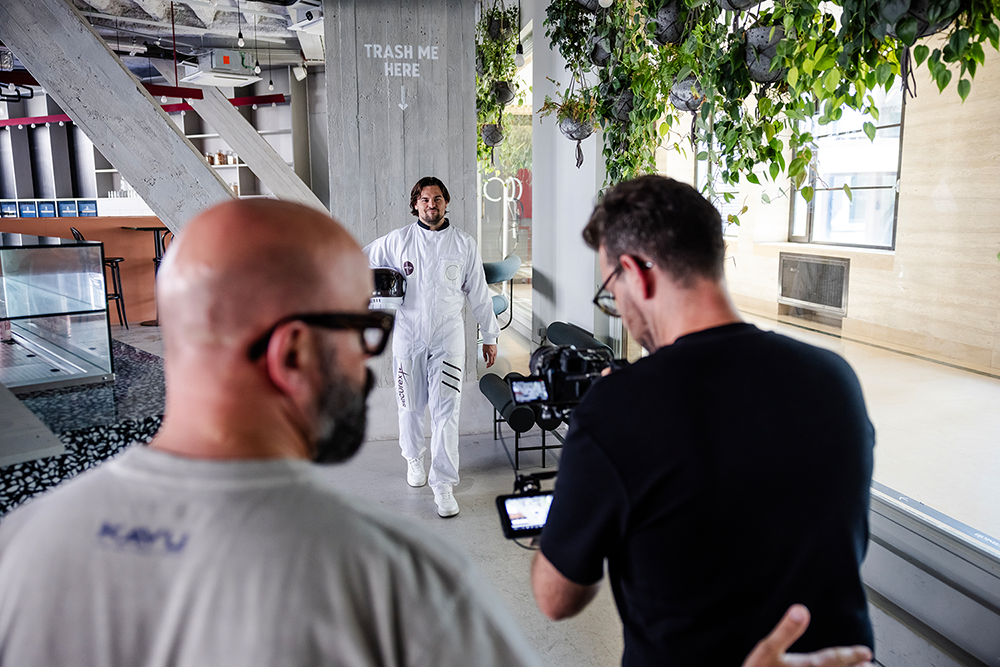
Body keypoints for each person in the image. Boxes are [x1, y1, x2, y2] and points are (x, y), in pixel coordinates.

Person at [0, 200, 540, 667]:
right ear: (294, 353)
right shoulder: (401, 587)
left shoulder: (20, 547)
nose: (363, 363)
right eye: (360, 330)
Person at [531, 175, 876, 666]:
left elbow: (556, 597)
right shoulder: (835, 378)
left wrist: (590, 465)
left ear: (636, 273)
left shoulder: (619, 410)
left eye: (611, 291)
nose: (620, 310)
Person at [364, 176, 500, 518]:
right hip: (408, 336)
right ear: (415, 205)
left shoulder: (463, 244)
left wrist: (490, 335)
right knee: (409, 407)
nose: (431, 204)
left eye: (437, 198)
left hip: (448, 338)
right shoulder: (398, 241)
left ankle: (443, 484)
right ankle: (414, 459)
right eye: (424, 199)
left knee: (446, 413)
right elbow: (359, 259)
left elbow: (480, 293)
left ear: (446, 202)